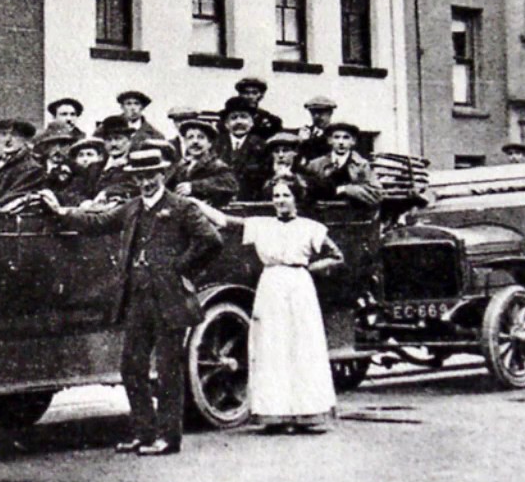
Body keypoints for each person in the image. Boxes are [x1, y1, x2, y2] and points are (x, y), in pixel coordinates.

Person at [38, 148, 223, 456]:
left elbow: (211, 240)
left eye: (151, 176)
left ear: (162, 175)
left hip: (169, 299)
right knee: (131, 367)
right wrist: (61, 213)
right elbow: (99, 221)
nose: (145, 182)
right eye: (139, 177)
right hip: (138, 298)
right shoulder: (133, 207)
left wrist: (181, 268)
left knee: (168, 370)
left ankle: (168, 438)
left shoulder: (181, 207)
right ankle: (143, 433)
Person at [190, 174, 345, 433]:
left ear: (296, 198)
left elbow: (337, 256)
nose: (280, 201)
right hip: (271, 285)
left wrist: (310, 268)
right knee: (271, 345)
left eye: (286, 195)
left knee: (301, 345)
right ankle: (276, 413)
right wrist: (196, 203)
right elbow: (224, 220)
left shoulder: (311, 227)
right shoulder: (262, 225)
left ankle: (304, 413)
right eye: (276, 196)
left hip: (299, 286)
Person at [305, 122, 384, 206]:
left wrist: (346, 189)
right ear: (329, 140)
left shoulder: (361, 165)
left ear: (353, 141)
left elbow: (377, 194)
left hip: (352, 212)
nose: (341, 142)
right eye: (336, 137)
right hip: (322, 212)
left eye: (346, 137)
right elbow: (304, 193)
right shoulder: (315, 165)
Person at [0, 119, 45, 208]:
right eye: (3, 134)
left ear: (25, 140)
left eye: (14, 135)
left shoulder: (31, 168)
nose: (8, 140)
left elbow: (11, 199)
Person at [168, 118, 238, 206]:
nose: (195, 142)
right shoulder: (182, 166)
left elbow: (231, 184)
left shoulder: (216, 165)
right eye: (190, 137)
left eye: (201, 137)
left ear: (210, 143)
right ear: (185, 142)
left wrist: (193, 187)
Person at [214, 97, 269, 202]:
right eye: (233, 118)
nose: (239, 122)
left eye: (244, 117)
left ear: (252, 122)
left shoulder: (262, 147)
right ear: (226, 124)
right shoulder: (215, 146)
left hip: (251, 203)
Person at [94, 115, 138, 202]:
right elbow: (78, 189)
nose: (113, 144)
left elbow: (134, 186)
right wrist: (83, 201)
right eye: (109, 139)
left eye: (118, 139)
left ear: (129, 141)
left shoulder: (135, 165)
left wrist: (106, 192)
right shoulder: (94, 167)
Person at [63, 137, 106, 206]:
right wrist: (82, 202)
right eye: (81, 155)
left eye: (90, 154)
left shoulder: (105, 175)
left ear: (100, 157)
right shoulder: (72, 178)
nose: (85, 159)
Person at [298, 96, 337, 161]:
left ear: (330, 113)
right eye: (313, 112)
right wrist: (301, 142)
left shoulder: (336, 134)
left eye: (321, 112)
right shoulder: (304, 133)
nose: (316, 116)